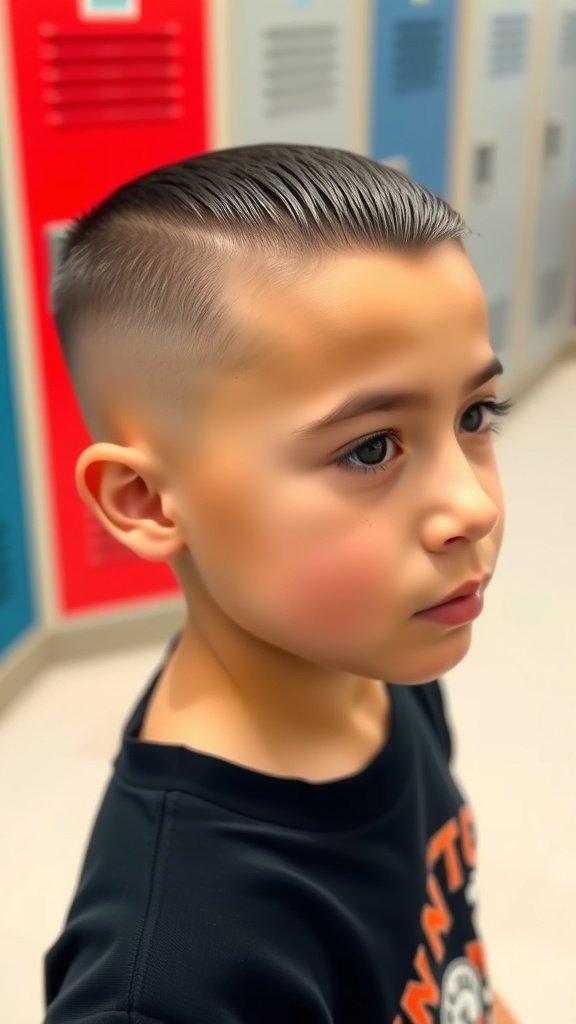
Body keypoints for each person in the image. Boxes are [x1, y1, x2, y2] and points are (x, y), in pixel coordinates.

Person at [43, 144, 520, 1024]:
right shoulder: (174, 974)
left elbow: (448, 953)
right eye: (370, 448)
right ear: (146, 500)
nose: (470, 506)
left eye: (474, 416)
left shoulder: (378, 664)